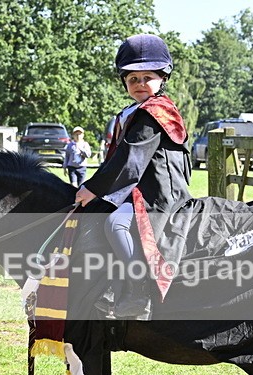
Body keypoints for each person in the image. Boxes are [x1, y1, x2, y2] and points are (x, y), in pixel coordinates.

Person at [74, 34, 192, 319]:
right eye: (132, 79)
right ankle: (105, 287)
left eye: (147, 77)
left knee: (116, 224)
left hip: (159, 192)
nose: (139, 84)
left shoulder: (154, 113)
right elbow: (117, 159)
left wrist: (93, 188)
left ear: (162, 78)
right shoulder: (132, 111)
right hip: (138, 188)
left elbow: (130, 160)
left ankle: (139, 290)